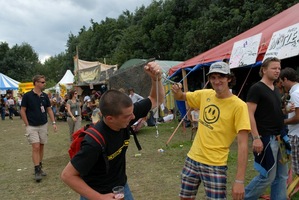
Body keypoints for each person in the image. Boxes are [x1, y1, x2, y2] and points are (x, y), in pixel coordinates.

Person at [61, 62, 164, 200]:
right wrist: (99, 197)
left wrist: (155, 79)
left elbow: (156, 99)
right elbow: (67, 175)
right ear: (110, 118)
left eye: (132, 113)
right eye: (128, 116)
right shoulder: (93, 142)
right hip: (95, 193)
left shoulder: (126, 114)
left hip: (121, 188)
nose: (133, 118)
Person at [172, 61, 251, 200]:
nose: (217, 81)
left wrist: (239, 181)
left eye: (221, 76)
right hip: (193, 158)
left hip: (216, 164)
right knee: (185, 198)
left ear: (229, 78)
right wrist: (177, 90)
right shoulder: (205, 94)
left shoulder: (239, 106)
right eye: (213, 77)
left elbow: (243, 145)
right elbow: (181, 97)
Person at [245, 57, 288, 199]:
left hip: (280, 138)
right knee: (267, 176)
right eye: (274, 68)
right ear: (264, 70)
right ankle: (244, 196)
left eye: (279, 68)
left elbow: (271, 112)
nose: (277, 71)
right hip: (267, 138)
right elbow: (249, 113)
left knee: (281, 176)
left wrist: (285, 111)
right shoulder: (257, 88)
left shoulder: (275, 89)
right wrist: (256, 137)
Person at [20, 75, 58, 182]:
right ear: (36, 83)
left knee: (41, 146)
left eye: (44, 82)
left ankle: (40, 167)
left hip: (43, 125)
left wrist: (53, 122)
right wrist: (27, 124)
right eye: (42, 82)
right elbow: (22, 110)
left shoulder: (45, 96)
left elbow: (49, 110)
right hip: (32, 126)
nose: (44, 84)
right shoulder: (27, 96)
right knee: (35, 147)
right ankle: (37, 170)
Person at [280, 67, 299, 188]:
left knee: (297, 168)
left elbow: (297, 117)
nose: (282, 86)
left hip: (296, 135)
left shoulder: (295, 94)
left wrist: (282, 122)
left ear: (285, 79)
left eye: (282, 82)